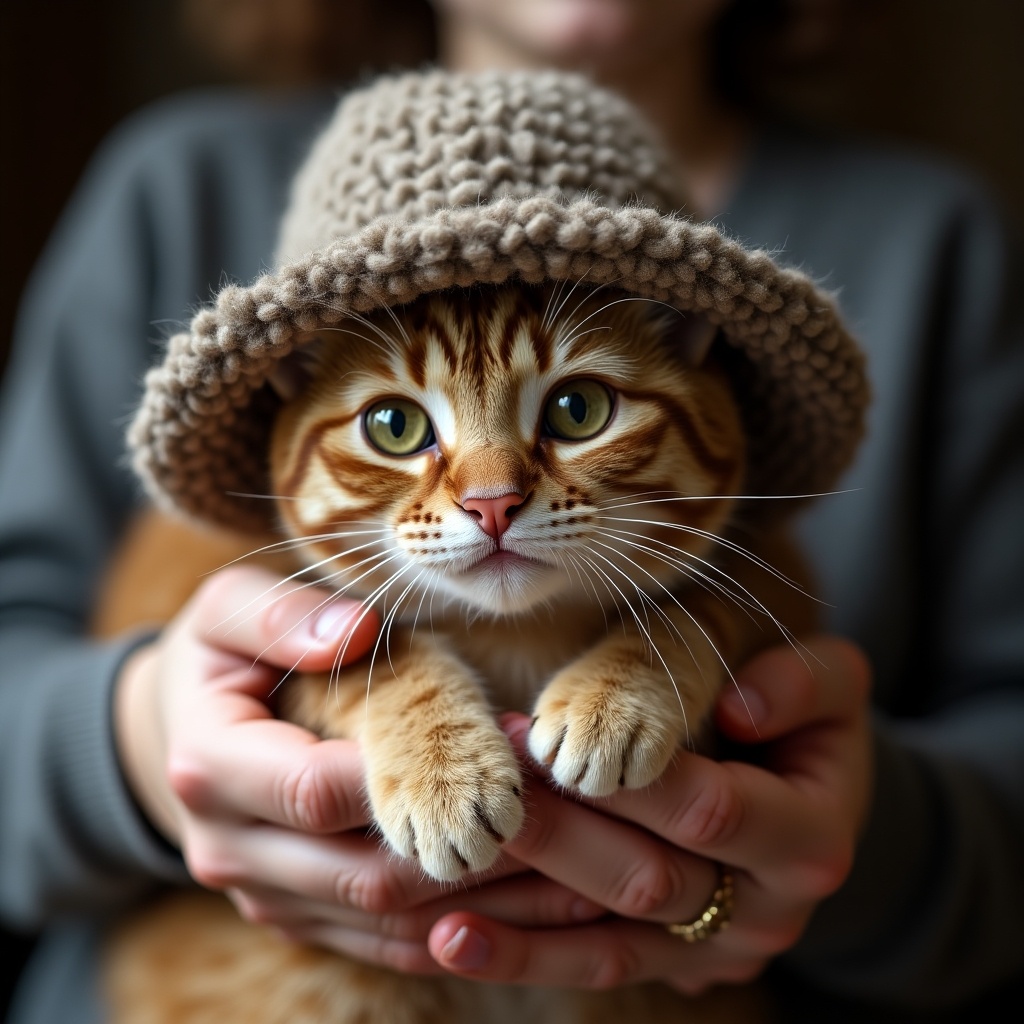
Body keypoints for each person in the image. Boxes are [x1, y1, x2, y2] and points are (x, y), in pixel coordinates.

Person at [1, 2, 1021, 1022]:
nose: (491, 496)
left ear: (698, 333)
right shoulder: (175, 189)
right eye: (400, 426)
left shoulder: (943, 242)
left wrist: (862, 845)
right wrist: (134, 748)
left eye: (574, 409)